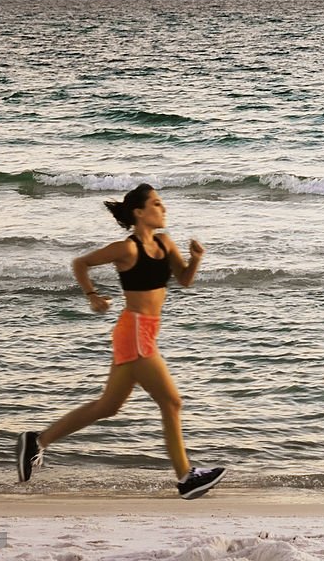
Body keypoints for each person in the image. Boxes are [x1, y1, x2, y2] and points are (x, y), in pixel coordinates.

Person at [15, 183, 226, 500]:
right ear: (139, 213)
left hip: (146, 331)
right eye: (156, 203)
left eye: (162, 203)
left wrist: (196, 258)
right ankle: (186, 478)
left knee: (108, 406)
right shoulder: (127, 249)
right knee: (172, 402)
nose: (163, 208)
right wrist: (92, 296)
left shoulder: (166, 243)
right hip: (135, 332)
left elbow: (184, 280)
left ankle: (37, 441)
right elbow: (80, 263)